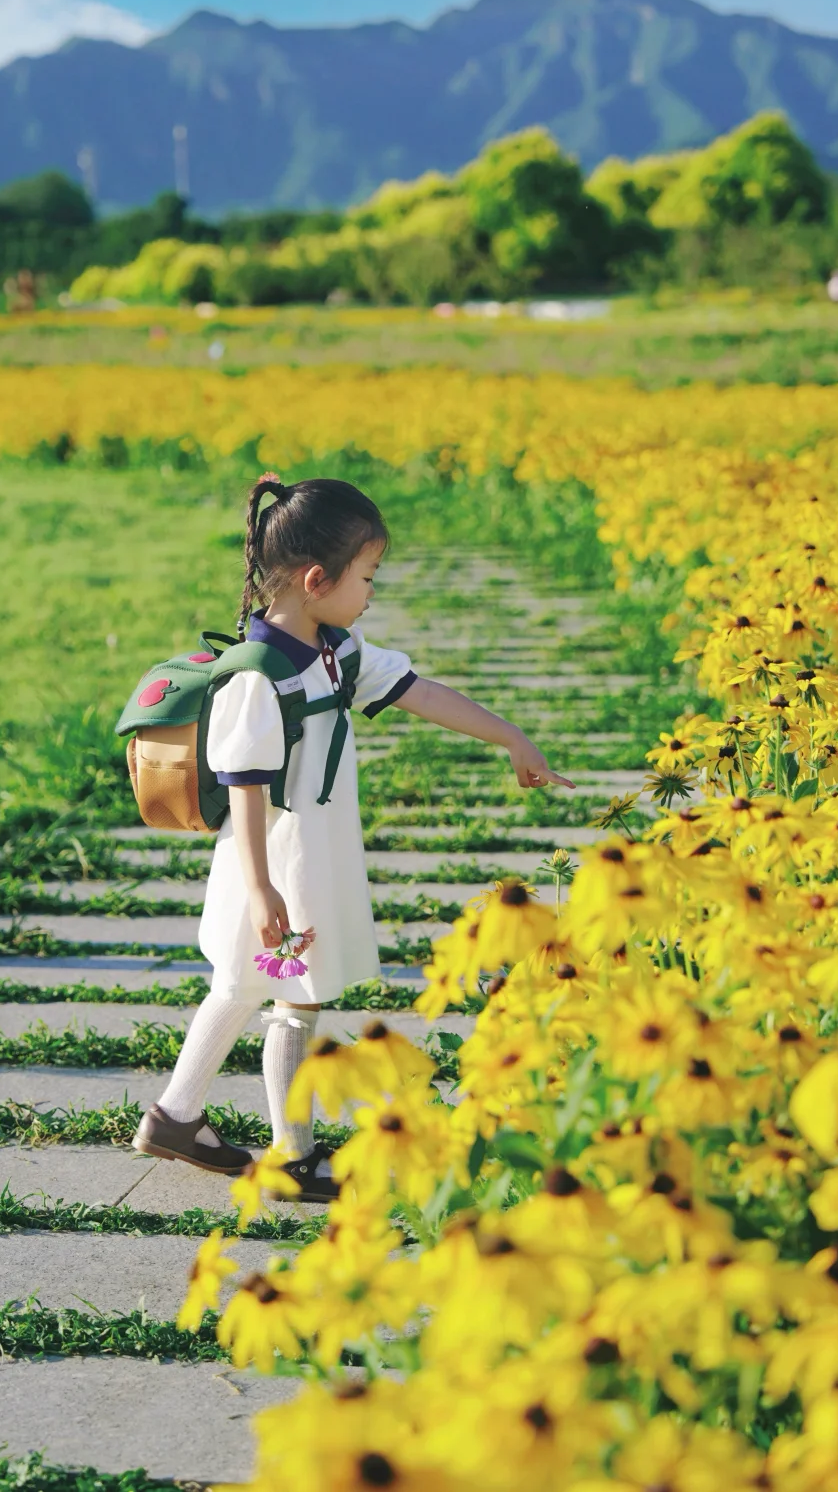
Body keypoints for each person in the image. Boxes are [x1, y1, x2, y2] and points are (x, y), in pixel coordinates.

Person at [133, 474, 573, 1200]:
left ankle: (177, 1117)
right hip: (277, 868)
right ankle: (290, 1155)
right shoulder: (261, 675)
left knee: (243, 986)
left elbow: (422, 692)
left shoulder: (334, 651)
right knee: (292, 1000)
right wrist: (261, 885)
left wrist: (512, 738)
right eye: (367, 576)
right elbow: (244, 786)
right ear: (316, 579)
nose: (371, 591)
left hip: (291, 864)